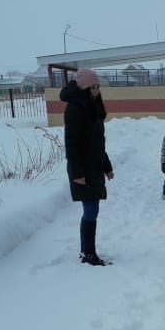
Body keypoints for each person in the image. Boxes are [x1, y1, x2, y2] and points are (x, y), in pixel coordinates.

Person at [62, 68, 114, 266]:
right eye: (92, 87)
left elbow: (98, 143)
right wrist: (77, 173)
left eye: (97, 87)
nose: (95, 90)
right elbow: (71, 144)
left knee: (93, 210)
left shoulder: (93, 107)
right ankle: (89, 254)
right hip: (83, 169)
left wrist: (107, 167)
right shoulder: (75, 109)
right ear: (83, 88)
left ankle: (86, 251)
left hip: (94, 166)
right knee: (91, 210)